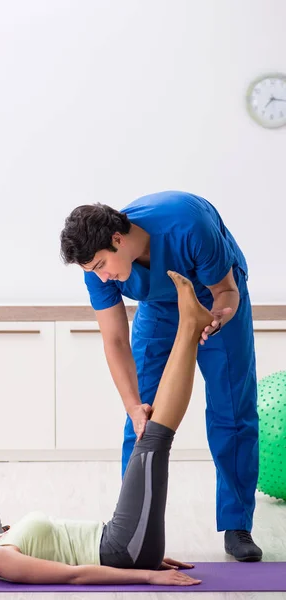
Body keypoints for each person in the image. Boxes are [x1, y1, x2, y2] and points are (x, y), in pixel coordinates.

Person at [0, 272, 212, 586]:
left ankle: (190, 323)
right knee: (152, 439)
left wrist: (147, 552)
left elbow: (69, 549)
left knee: (151, 437)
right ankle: (189, 324)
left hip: (121, 542)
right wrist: (145, 573)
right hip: (119, 548)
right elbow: (73, 574)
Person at [60, 191, 262, 562]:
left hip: (214, 297)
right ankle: (130, 527)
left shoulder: (189, 226)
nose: (102, 276)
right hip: (158, 306)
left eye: (103, 265)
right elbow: (116, 339)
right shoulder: (98, 270)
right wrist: (132, 404)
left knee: (232, 410)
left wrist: (216, 318)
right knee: (141, 419)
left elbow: (226, 290)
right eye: (93, 271)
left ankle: (237, 524)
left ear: (118, 240)